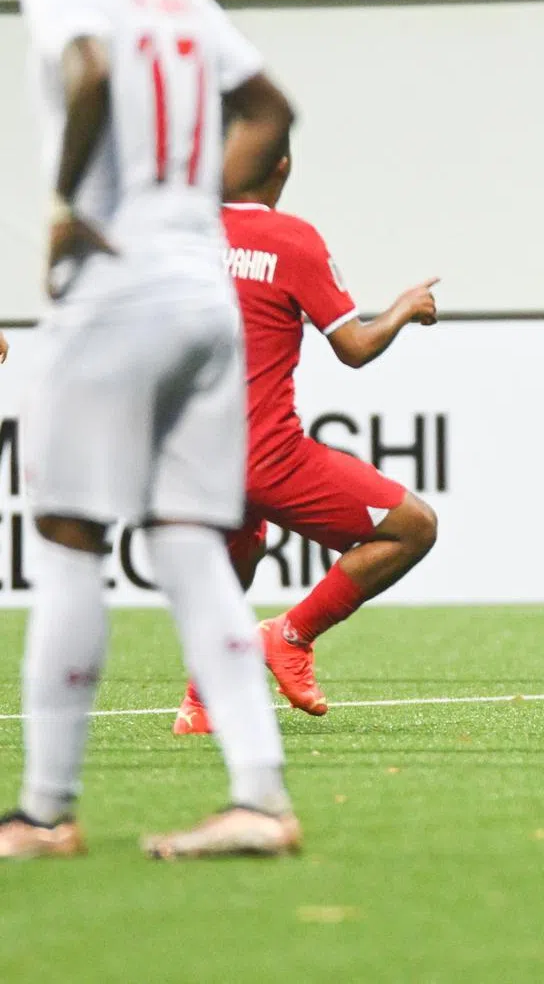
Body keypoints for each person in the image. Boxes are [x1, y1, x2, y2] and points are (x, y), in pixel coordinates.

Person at [0, 0, 301, 861]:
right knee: (186, 542)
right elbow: (272, 110)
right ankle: (258, 800)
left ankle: (45, 813)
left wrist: (65, 210)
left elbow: (86, 72)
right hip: (201, 291)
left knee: (70, 537)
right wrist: (184, 208)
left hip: (118, 288)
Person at [172, 136, 439, 735]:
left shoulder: (179, 238)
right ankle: (288, 635)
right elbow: (355, 349)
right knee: (412, 528)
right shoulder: (292, 239)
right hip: (268, 457)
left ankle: (201, 701)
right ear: (282, 166)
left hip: (194, 458)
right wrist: (402, 307)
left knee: (237, 554)